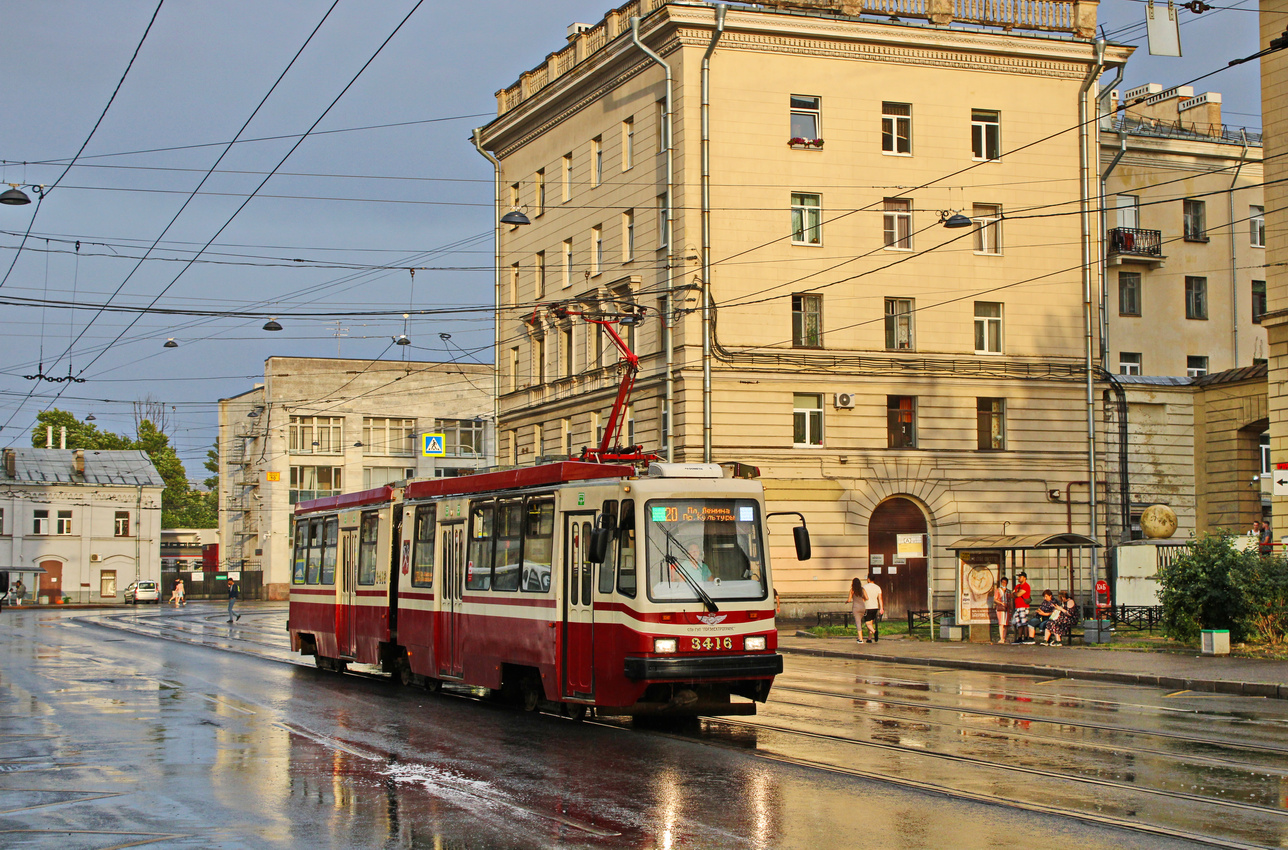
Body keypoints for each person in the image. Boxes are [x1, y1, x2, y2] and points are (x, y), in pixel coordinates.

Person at [861, 574, 884, 642]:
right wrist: (881, 608)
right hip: (875, 607)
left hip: (867, 607)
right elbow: (880, 598)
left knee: (867, 623)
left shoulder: (864, 587)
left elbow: (863, 598)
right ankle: (869, 638)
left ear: (868, 579)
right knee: (871, 623)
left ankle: (874, 632)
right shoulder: (878, 587)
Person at [1012, 571, 1032, 644]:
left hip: (1023, 606)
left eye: (1020, 577)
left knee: (1024, 622)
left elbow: (1018, 594)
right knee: (1018, 623)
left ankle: (1026, 637)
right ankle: (1019, 637)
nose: (1019, 578)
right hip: (1017, 607)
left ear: (1025, 578)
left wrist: (1015, 593)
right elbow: (1012, 595)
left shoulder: (1026, 586)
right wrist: (1015, 593)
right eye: (1018, 577)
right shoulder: (1017, 586)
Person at [847, 577, 868, 642]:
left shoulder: (852, 590)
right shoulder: (862, 589)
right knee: (860, 622)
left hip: (856, 607)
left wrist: (846, 601)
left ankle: (861, 639)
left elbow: (849, 600)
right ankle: (859, 637)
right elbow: (867, 597)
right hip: (862, 607)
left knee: (858, 622)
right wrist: (863, 599)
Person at [993, 576, 1012, 645]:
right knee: (1001, 623)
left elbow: (1010, 599)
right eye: (1003, 582)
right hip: (1000, 608)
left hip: (1007, 608)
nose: (1004, 584)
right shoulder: (998, 590)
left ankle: (1004, 637)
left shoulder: (1008, 591)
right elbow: (995, 599)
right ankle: (1001, 638)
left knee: (1006, 624)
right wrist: (1001, 603)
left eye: (1005, 582)